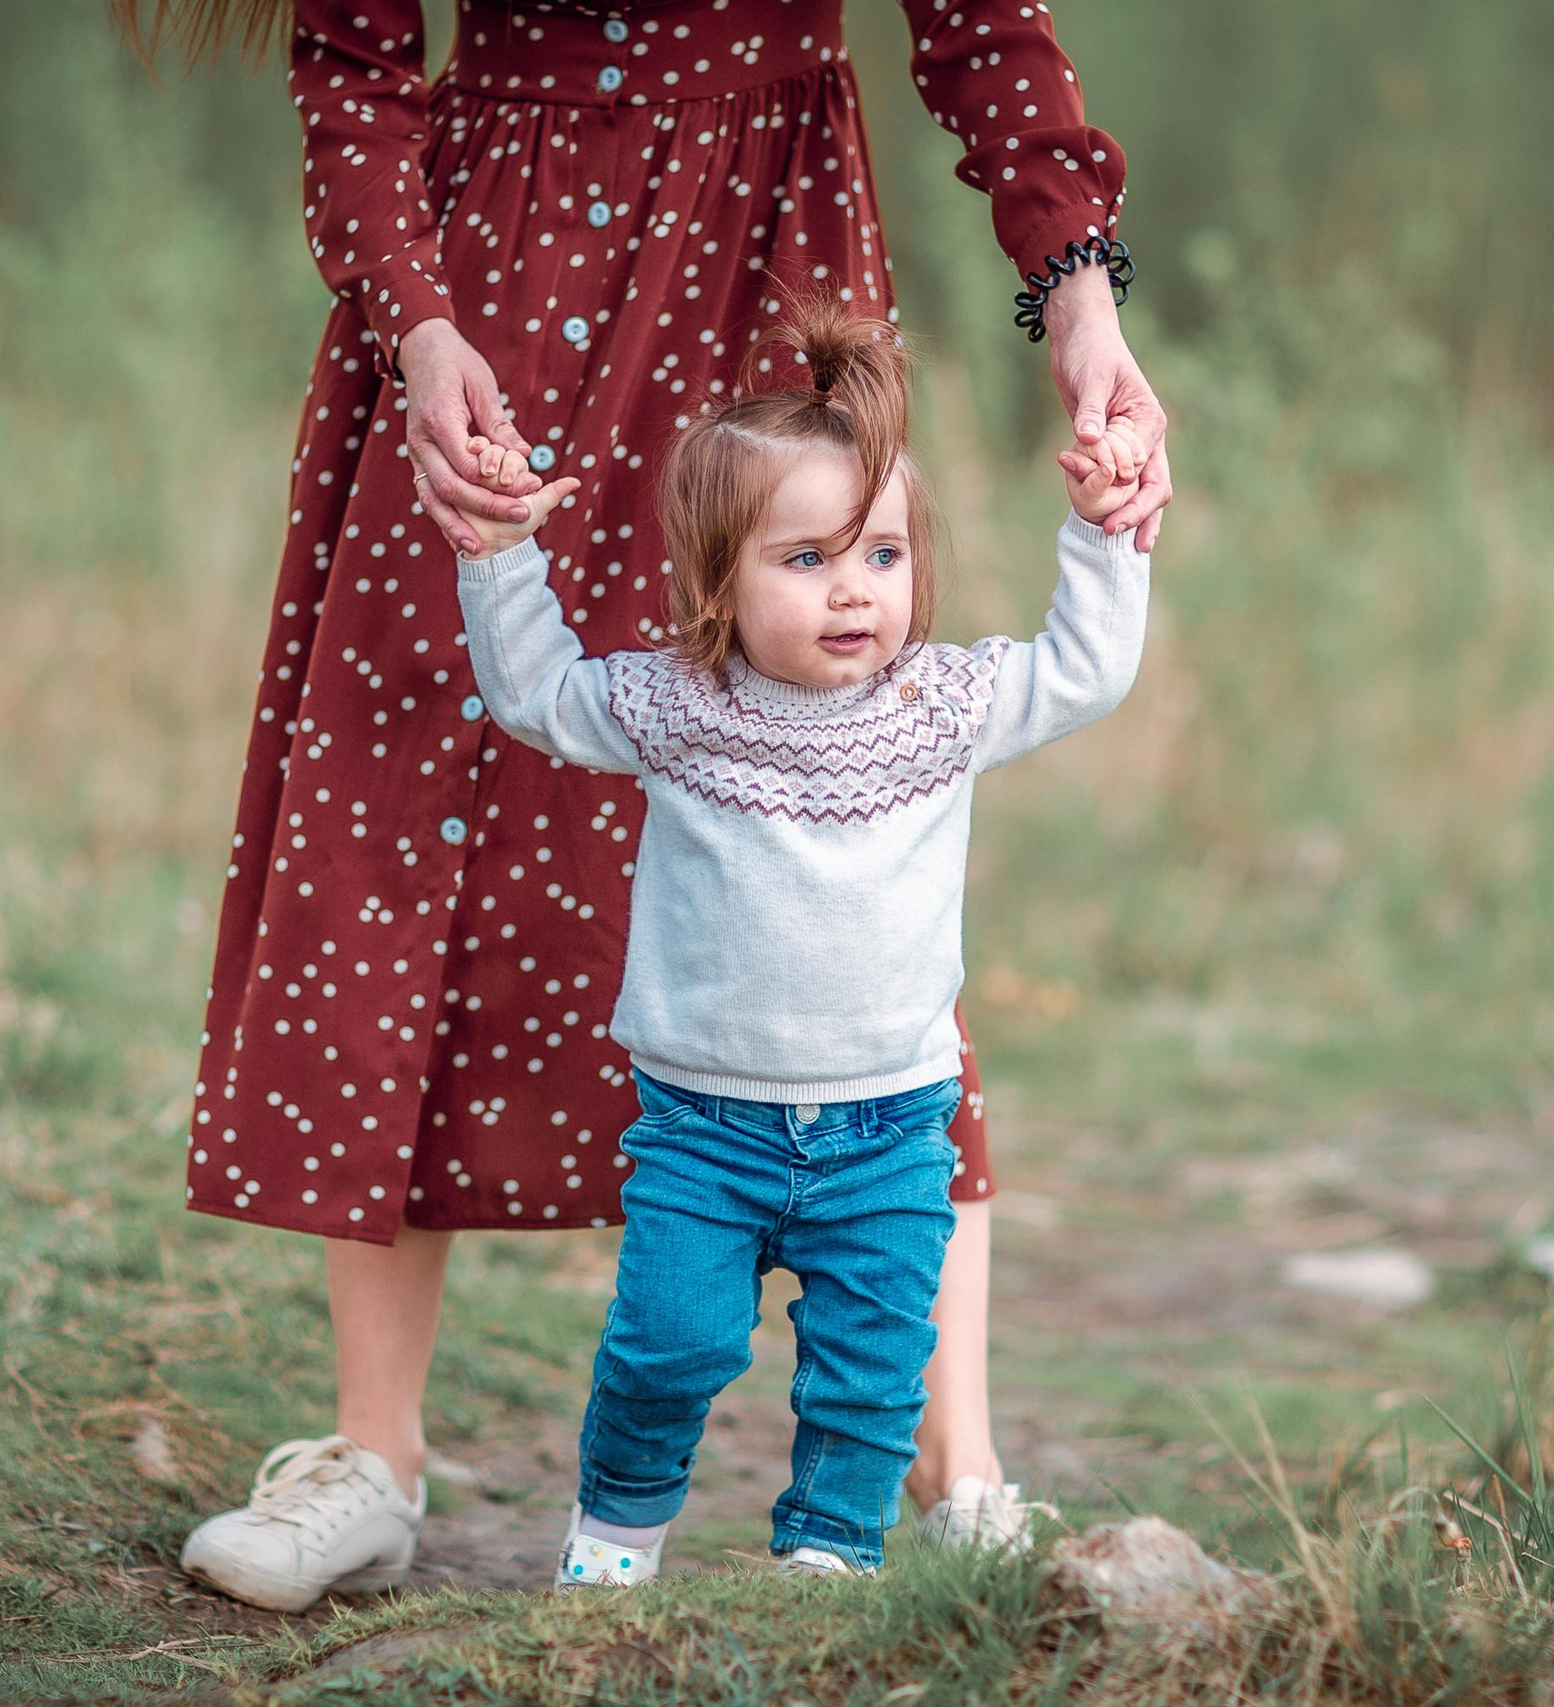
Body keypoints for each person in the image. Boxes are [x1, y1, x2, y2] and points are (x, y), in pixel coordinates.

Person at [112, 0, 1172, 1613]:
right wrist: (417, 323)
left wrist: (1083, 309)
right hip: (487, 294)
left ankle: (956, 1471)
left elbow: (983, 28)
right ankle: (371, 1454)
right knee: (412, 796)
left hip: (768, 249)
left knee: (844, 788)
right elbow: (356, 65)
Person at [447, 299, 1149, 1580]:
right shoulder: (677, 704)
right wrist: (498, 556)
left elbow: (1084, 671)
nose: (852, 590)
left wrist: (1106, 531)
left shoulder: (944, 703)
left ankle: (825, 1565)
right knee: (668, 1345)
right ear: (718, 578)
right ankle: (611, 1544)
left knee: (872, 1377)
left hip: (889, 1125)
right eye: (807, 559)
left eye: (881, 556)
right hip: (700, 1127)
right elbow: (536, 696)